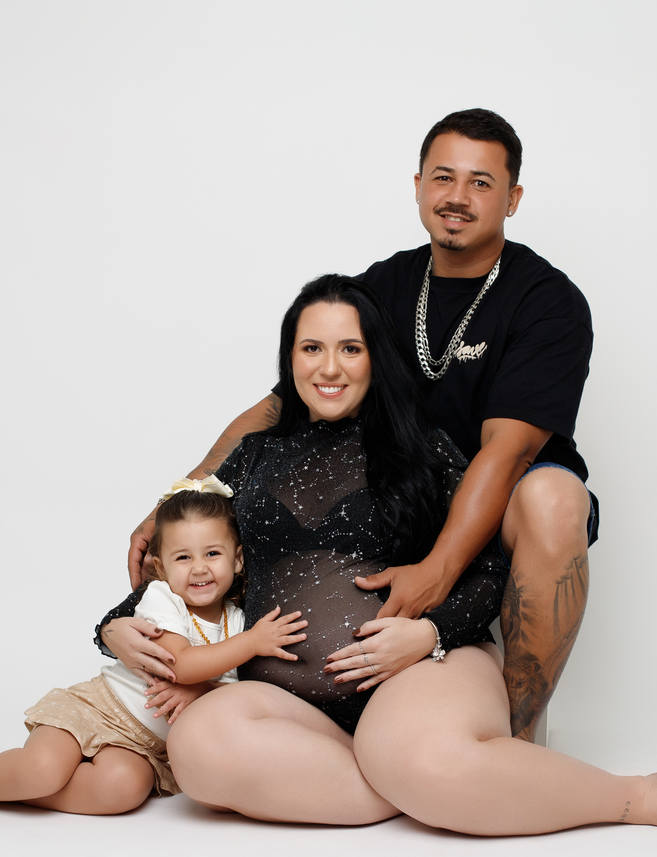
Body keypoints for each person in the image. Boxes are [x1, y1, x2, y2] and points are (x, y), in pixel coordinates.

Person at [160, 275, 657, 835]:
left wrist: (430, 632)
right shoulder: (251, 456)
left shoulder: (422, 448)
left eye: (350, 349)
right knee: (196, 747)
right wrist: (123, 623)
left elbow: (490, 566)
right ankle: (405, 782)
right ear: (290, 359)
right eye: (312, 348)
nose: (329, 368)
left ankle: (635, 796)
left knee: (428, 761)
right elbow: (188, 552)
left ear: (376, 358)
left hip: (422, 667)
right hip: (289, 705)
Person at [116, 109, 597, 741]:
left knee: (553, 496)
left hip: (500, 494)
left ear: (513, 198)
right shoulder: (384, 286)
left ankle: (520, 734)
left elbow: (507, 453)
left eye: (480, 183)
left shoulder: (547, 301)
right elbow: (282, 404)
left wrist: (437, 572)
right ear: (418, 185)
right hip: (406, 491)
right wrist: (182, 493)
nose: (457, 196)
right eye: (443, 177)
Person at [0, 487, 307, 819]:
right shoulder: (164, 600)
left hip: (144, 745)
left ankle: (7, 786)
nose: (199, 568)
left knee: (121, 791)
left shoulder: (238, 621)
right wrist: (253, 643)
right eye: (183, 557)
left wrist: (203, 689)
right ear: (161, 567)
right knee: (42, 768)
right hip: (101, 709)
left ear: (237, 560)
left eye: (212, 554)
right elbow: (180, 665)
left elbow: (232, 698)